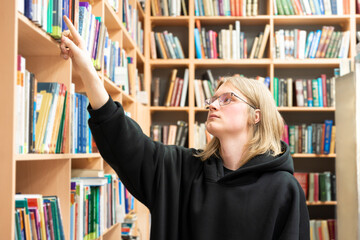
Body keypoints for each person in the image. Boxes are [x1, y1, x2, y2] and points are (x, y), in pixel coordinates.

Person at [60, 15, 310, 240]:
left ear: (256, 116)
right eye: (212, 99)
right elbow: (123, 140)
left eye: (227, 99)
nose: (213, 106)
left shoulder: (284, 189)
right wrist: (87, 69)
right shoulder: (180, 169)